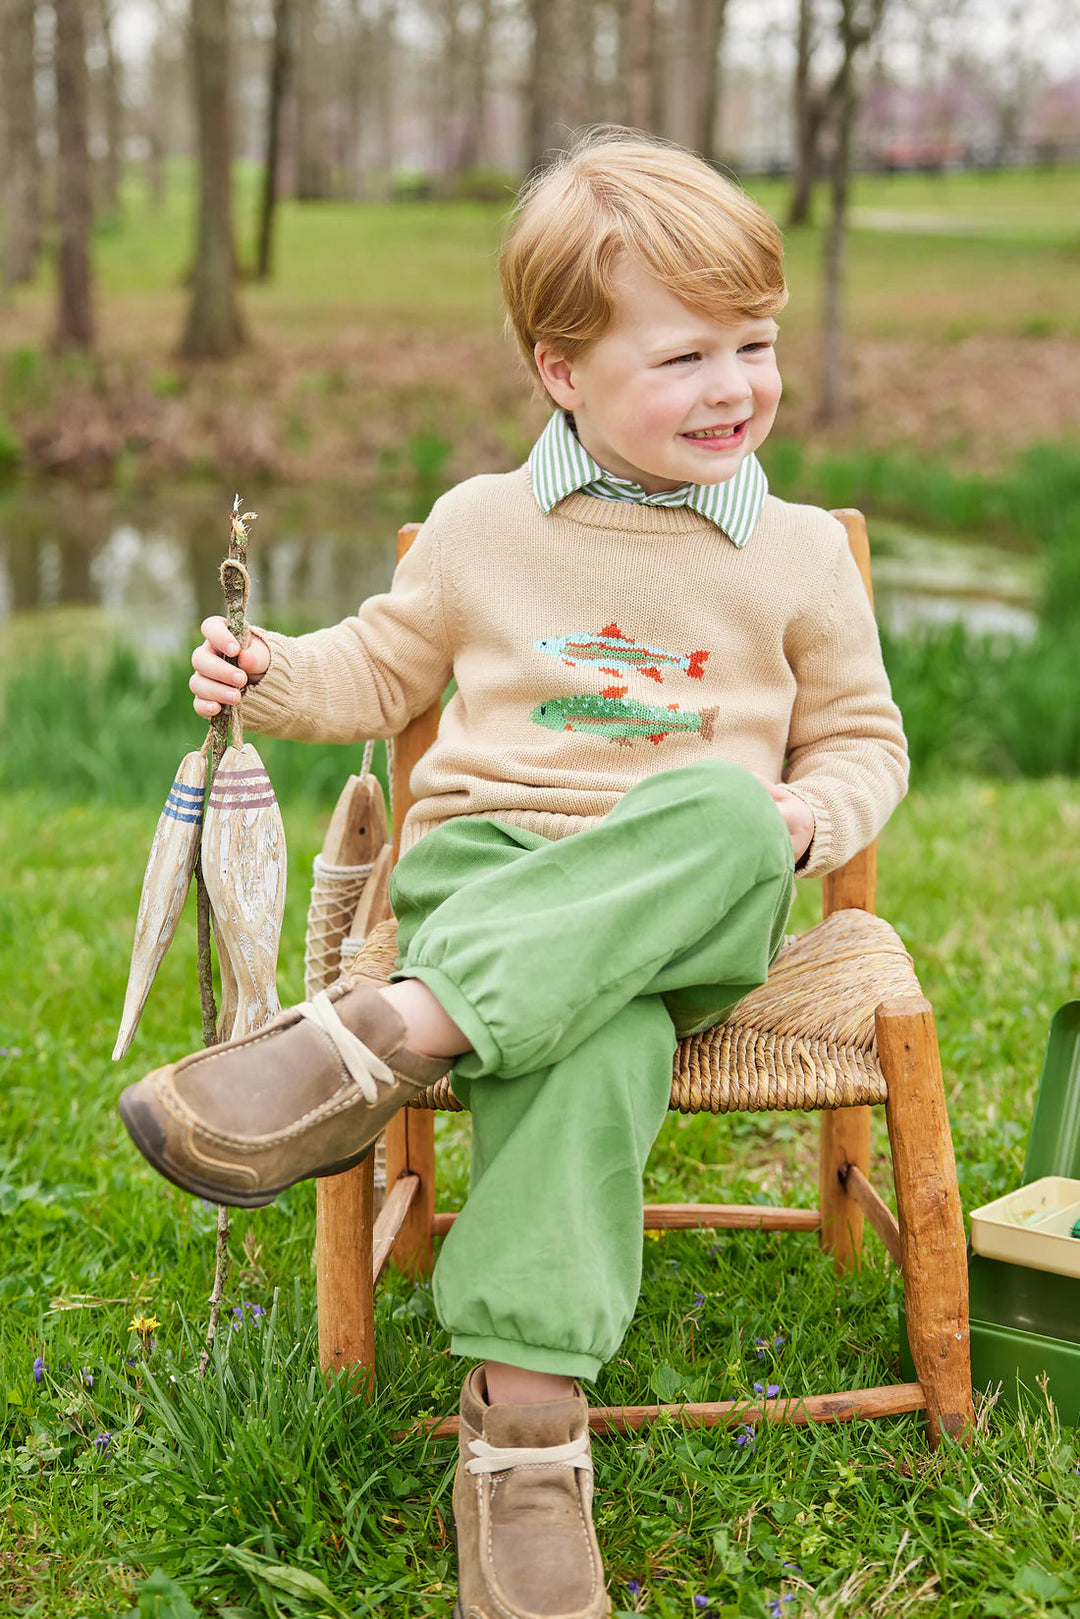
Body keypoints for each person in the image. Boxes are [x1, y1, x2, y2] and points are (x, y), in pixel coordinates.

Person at [120, 129, 907, 1618]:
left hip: (693, 898)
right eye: (683, 357)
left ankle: (390, 1033)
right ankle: (527, 1436)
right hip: (494, 873)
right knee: (587, 1032)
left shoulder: (796, 554)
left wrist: (807, 816)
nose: (734, 385)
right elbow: (377, 665)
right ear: (562, 369)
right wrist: (268, 671)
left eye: (755, 343)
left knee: (726, 814)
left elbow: (866, 738)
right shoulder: (485, 525)